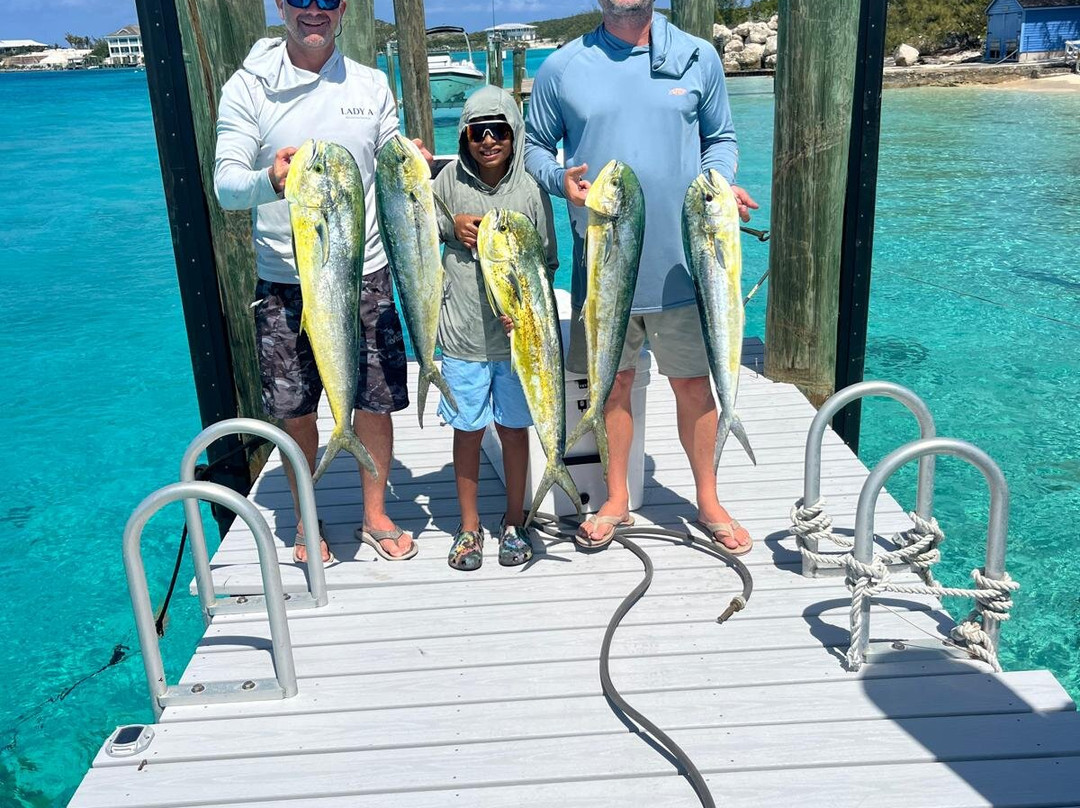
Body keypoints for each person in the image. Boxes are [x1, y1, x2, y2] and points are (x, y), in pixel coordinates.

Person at [524, 0, 760, 553]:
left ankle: (708, 498)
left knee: (693, 386)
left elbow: (720, 139)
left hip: (684, 264)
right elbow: (535, 148)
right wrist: (561, 180)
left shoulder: (697, 57)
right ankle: (615, 498)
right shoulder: (562, 66)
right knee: (613, 384)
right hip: (601, 264)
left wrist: (719, 184)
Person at [213, 0, 417, 564]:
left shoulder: (372, 84)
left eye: (327, 0)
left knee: (375, 399)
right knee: (294, 407)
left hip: (365, 270)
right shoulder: (248, 87)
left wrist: (413, 160)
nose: (314, 11)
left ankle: (374, 514)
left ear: (343, 9)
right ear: (280, 5)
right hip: (284, 280)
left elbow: (394, 156)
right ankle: (306, 518)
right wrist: (270, 179)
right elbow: (226, 184)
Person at [434, 86, 559, 571]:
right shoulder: (445, 183)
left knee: (513, 428)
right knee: (467, 431)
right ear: (464, 136)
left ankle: (514, 520)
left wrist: (525, 313)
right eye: (478, 132)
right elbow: (418, 228)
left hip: (515, 343)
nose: (489, 140)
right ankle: (469, 527)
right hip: (462, 336)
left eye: (499, 131)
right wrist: (450, 227)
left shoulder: (529, 189)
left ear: (514, 134)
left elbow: (546, 264)